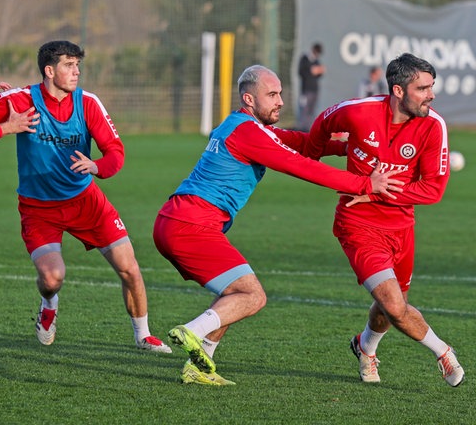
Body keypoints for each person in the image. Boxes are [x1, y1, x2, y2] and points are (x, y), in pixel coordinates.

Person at [153, 64, 404, 386]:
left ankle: (200, 365)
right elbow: (299, 165)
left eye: (281, 93)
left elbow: (294, 141)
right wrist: (364, 184)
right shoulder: (247, 132)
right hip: (190, 224)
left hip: (177, 220)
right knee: (252, 296)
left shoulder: (242, 125)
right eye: (272, 94)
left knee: (234, 295)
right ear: (249, 99)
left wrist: (348, 147)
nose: (280, 101)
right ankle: (193, 330)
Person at [0, 40, 171, 354]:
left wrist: (97, 166)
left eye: (78, 65)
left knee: (129, 267)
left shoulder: (88, 103)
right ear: (49, 71)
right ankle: (49, 305)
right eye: (68, 65)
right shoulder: (20, 100)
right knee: (52, 278)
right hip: (39, 209)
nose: (76, 72)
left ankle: (144, 335)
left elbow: (115, 152)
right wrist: (5, 128)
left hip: (86, 202)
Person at [305, 53, 464, 387]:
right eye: (422, 88)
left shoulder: (434, 126)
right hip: (357, 223)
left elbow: (433, 190)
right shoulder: (358, 111)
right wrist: (315, 152)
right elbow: (322, 123)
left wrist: (374, 191)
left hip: (402, 228)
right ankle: (443, 353)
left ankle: (366, 348)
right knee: (393, 302)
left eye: (431, 86)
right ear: (398, 90)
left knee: (393, 306)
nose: (431, 94)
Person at [297, 42, 326, 131]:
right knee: (304, 110)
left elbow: (318, 75)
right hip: (306, 90)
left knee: (312, 111)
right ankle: (302, 129)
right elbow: (301, 72)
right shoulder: (305, 59)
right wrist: (311, 71)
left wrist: (320, 71)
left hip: (314, 90)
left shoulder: (316, 61)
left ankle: (310, 129)